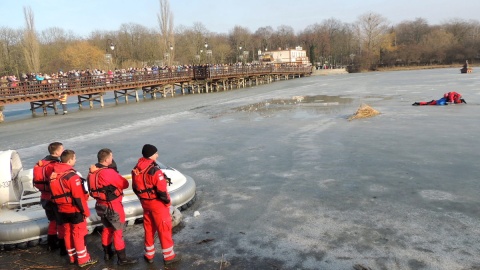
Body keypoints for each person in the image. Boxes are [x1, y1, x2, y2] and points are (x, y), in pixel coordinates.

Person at [131, 144, 181, 265]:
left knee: (149, 229)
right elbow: (162, 191)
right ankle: (169, 257)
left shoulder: (137, 168)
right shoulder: (155, 171)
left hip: (145, 204)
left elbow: (135, 187)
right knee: (164, 229)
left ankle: (149, 254)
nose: (157, 155)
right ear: (151, 155)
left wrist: (143, 199)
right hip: (157, 204)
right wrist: (167, 202)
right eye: (156, 153)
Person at [87, 148, 137, 265]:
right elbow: (124, 184)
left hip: (100, 205)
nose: (112, 158)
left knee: (107, 228)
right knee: (118, 231)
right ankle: (122, 259)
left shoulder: (92, 173)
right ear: (106, 159)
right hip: (112, 206)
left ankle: (107, 253)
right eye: (111, 156)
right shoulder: (108, 172)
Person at [50, 150, 97, 268]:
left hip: (61, 210)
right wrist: (85, 211)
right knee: (78, 234)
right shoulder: (72, 177)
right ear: (70, 160)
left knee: (67, 233)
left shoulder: (54, 175)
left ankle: (72, 257)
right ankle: (83, 259)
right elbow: (78, 197)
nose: (76, 160)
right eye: (75, 158)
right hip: (74, 210)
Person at [32, 142, 66, 255]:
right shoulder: (55, 165)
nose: (63, 150)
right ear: (57, 152)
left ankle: (51, 244)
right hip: (54, 198)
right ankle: (63, 247)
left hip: (44, 197)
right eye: (62, 149)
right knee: (60, 222)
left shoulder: (42, 163)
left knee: (52, 221)